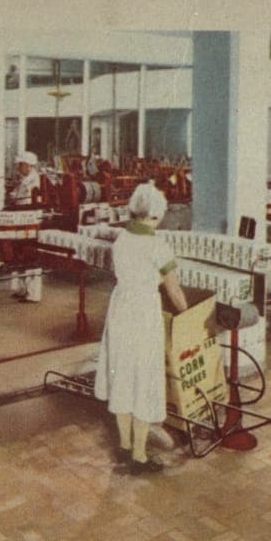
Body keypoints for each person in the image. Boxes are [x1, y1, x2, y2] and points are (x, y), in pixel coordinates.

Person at [94, 182, 190, 475]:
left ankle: (124, 445)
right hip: (143, 313)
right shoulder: (158, 245)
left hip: (120, 308)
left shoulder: (121, 239)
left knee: (122, 375)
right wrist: (188, 314)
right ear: (156, 214)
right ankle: (138, 456)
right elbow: (173, 291)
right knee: (144, 379)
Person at [9, 150, 44, 302]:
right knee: (21, 255)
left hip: (30, 221)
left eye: (20, 164)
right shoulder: (25, 179)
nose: (18, 167)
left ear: (28, 166)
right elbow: (14, 195)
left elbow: (19, 198)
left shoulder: (32, 180)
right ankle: (23, 290)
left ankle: (33, 294)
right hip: (22, 220)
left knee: (31, 256)